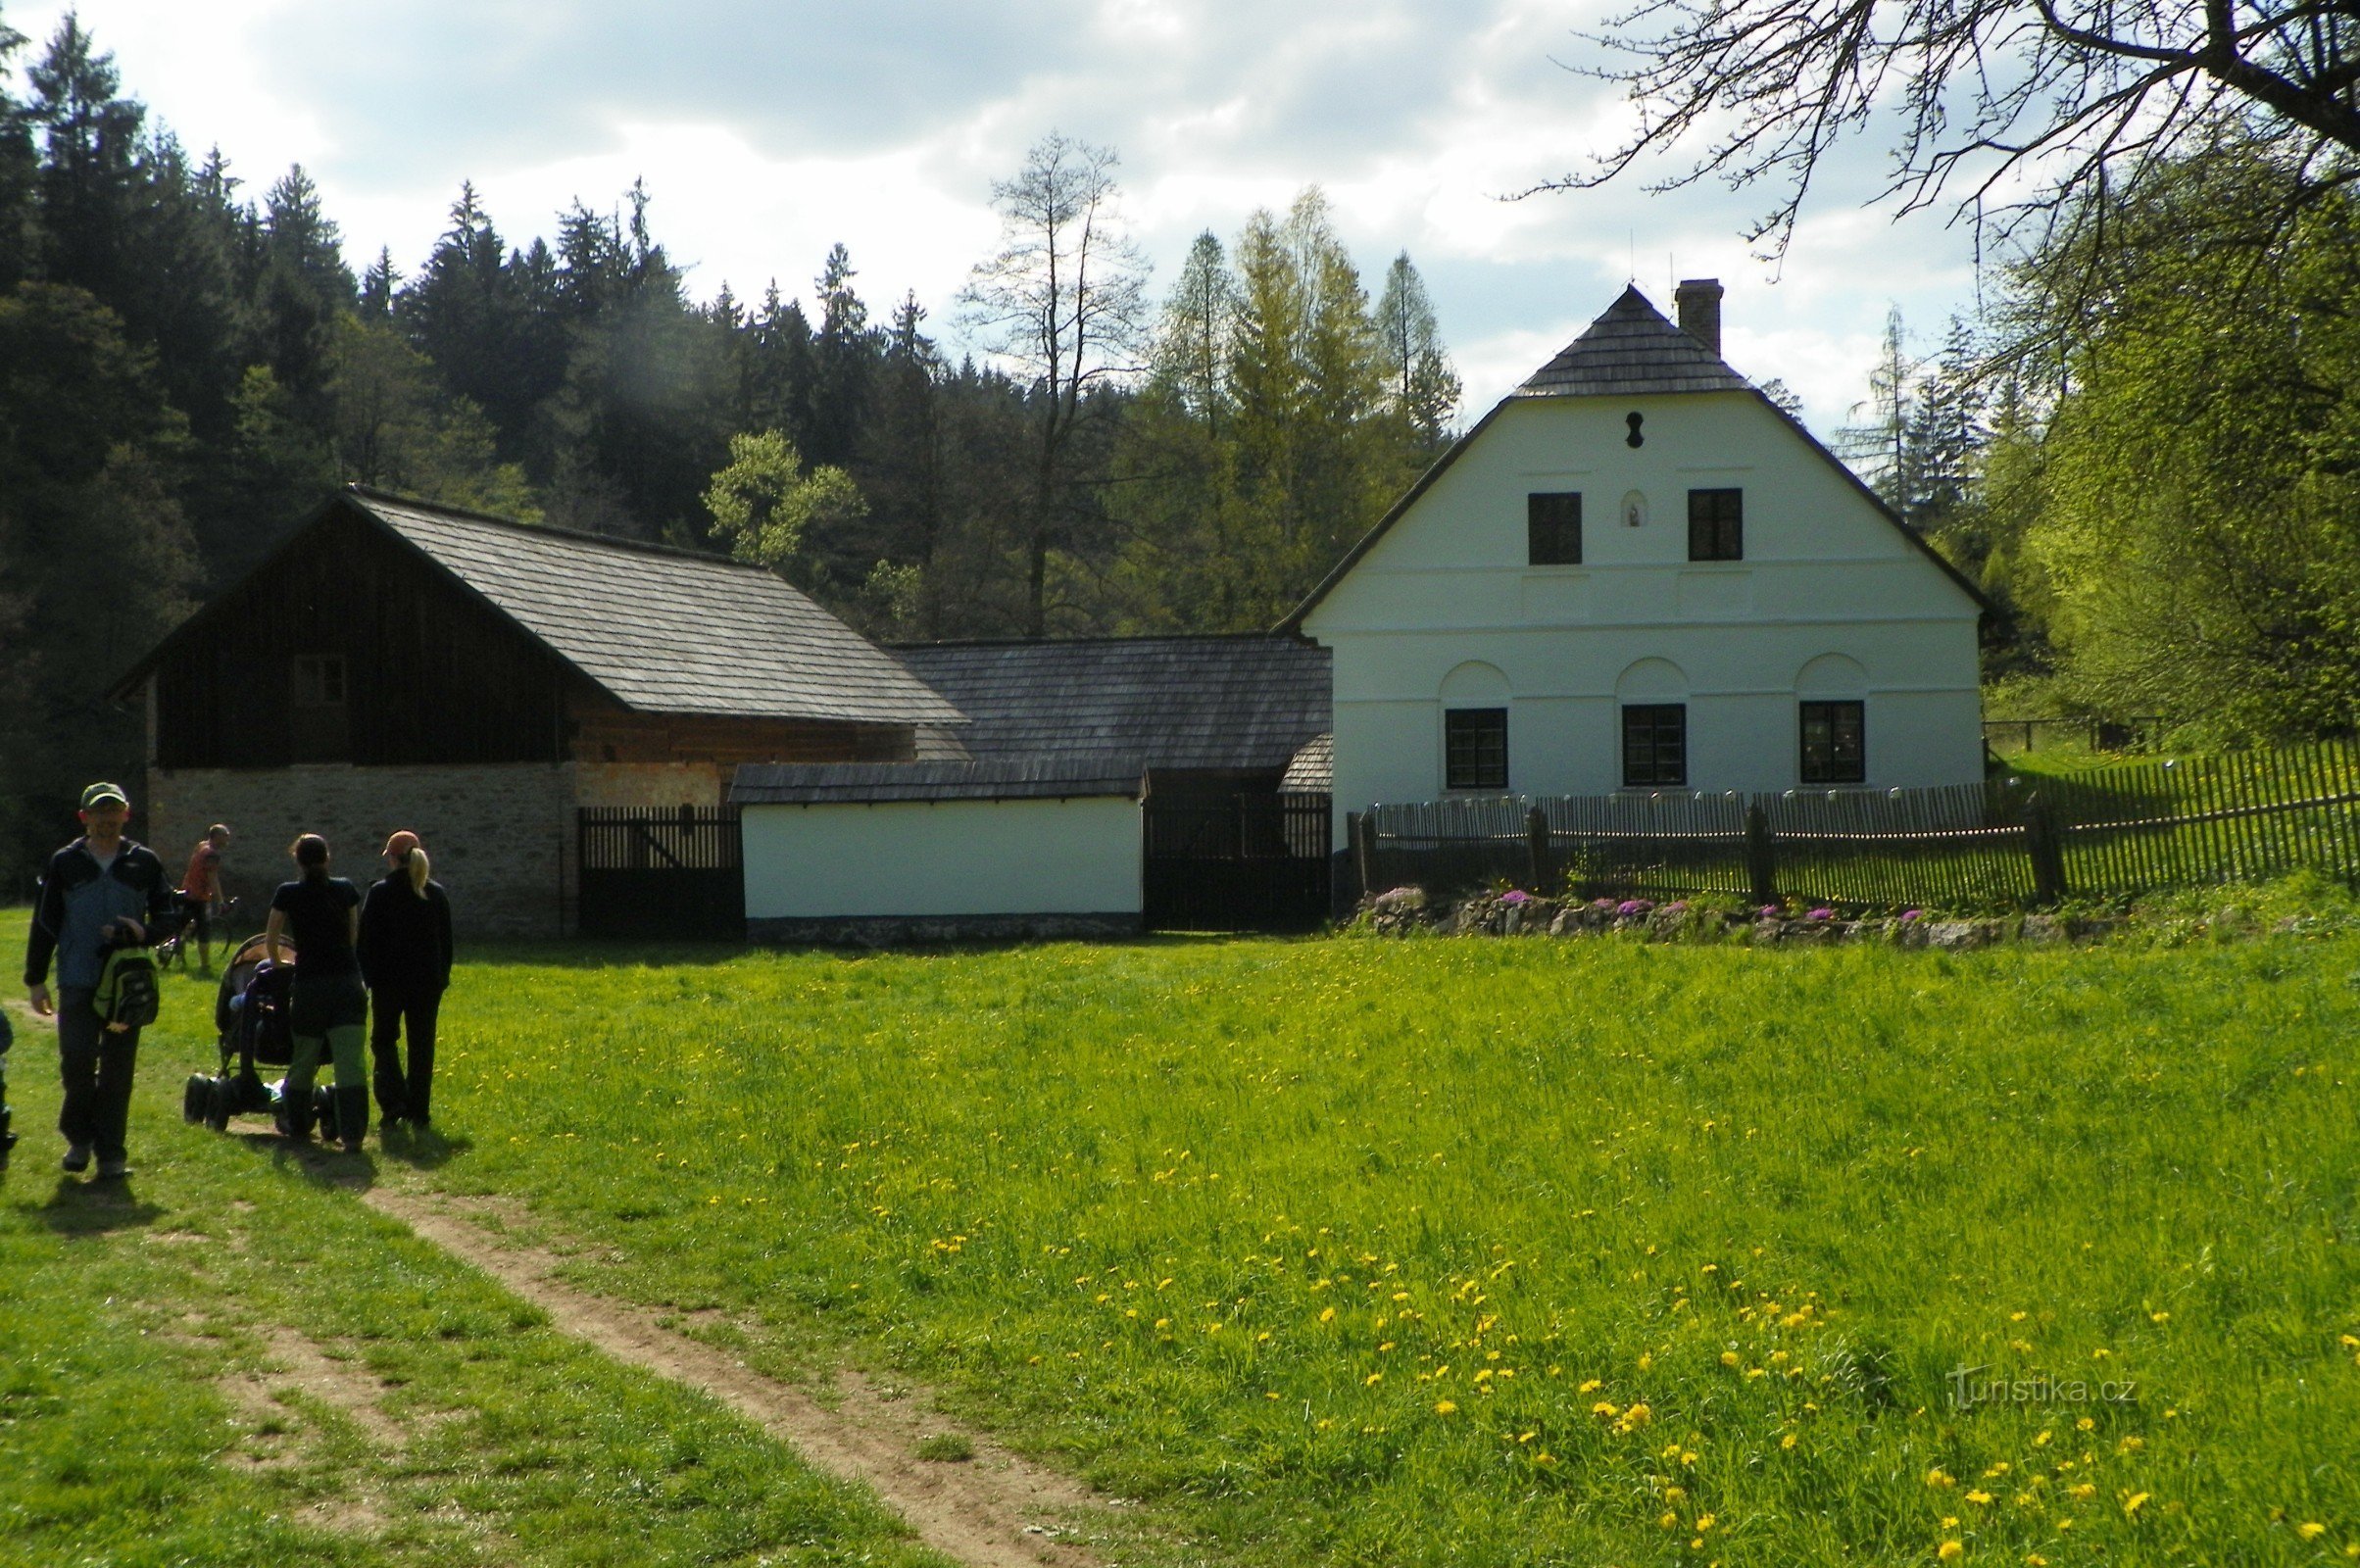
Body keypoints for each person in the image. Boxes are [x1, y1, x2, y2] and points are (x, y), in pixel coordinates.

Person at [23, 782, 174, 1179]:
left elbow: (170, 915)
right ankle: (79, 1138)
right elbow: (45, 922)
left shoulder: (145, 862)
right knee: (76, 1061)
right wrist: (35, 979)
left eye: (114, 811)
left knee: (118, 1070)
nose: (106, 819)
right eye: (98, 812)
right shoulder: (65, 862)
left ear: (126, 815)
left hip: (126, 984)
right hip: (77, 977)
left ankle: (111, 1154)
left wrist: (144, 933)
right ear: (84, 818)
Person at [266, 834, 369, 1152]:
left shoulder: (288, 893)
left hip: (310, 984)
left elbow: (272, 938)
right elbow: (353, 936)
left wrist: (280, 964)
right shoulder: (346, 889)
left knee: (304, 1058)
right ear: (327, 858)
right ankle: (352, 1136)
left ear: (297, 859)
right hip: (348, 983)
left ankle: (298, 1125)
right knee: (350, 1062)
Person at [358, 830, 453, 1130]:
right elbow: (446, 941)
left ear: (394, 858)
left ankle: (393, 1101)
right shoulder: (435, 892)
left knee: (383, 1040)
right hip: (427, 982)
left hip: (389, 981)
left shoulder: (381, 892)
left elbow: (366, 941)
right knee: (422, 1046)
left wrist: (369, 977)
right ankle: (419, 1111)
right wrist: (442, 976)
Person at [178, 823, 231, 972]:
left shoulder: (201, 846)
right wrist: (220, 901)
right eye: (225, 836)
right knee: (204, 929)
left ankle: (178, 952)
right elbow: (213, 878)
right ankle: (205, 965)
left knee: (184, 924)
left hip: (187, 890)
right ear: (216, 836)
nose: (227, 840)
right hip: (199, 895)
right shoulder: (212, 854)